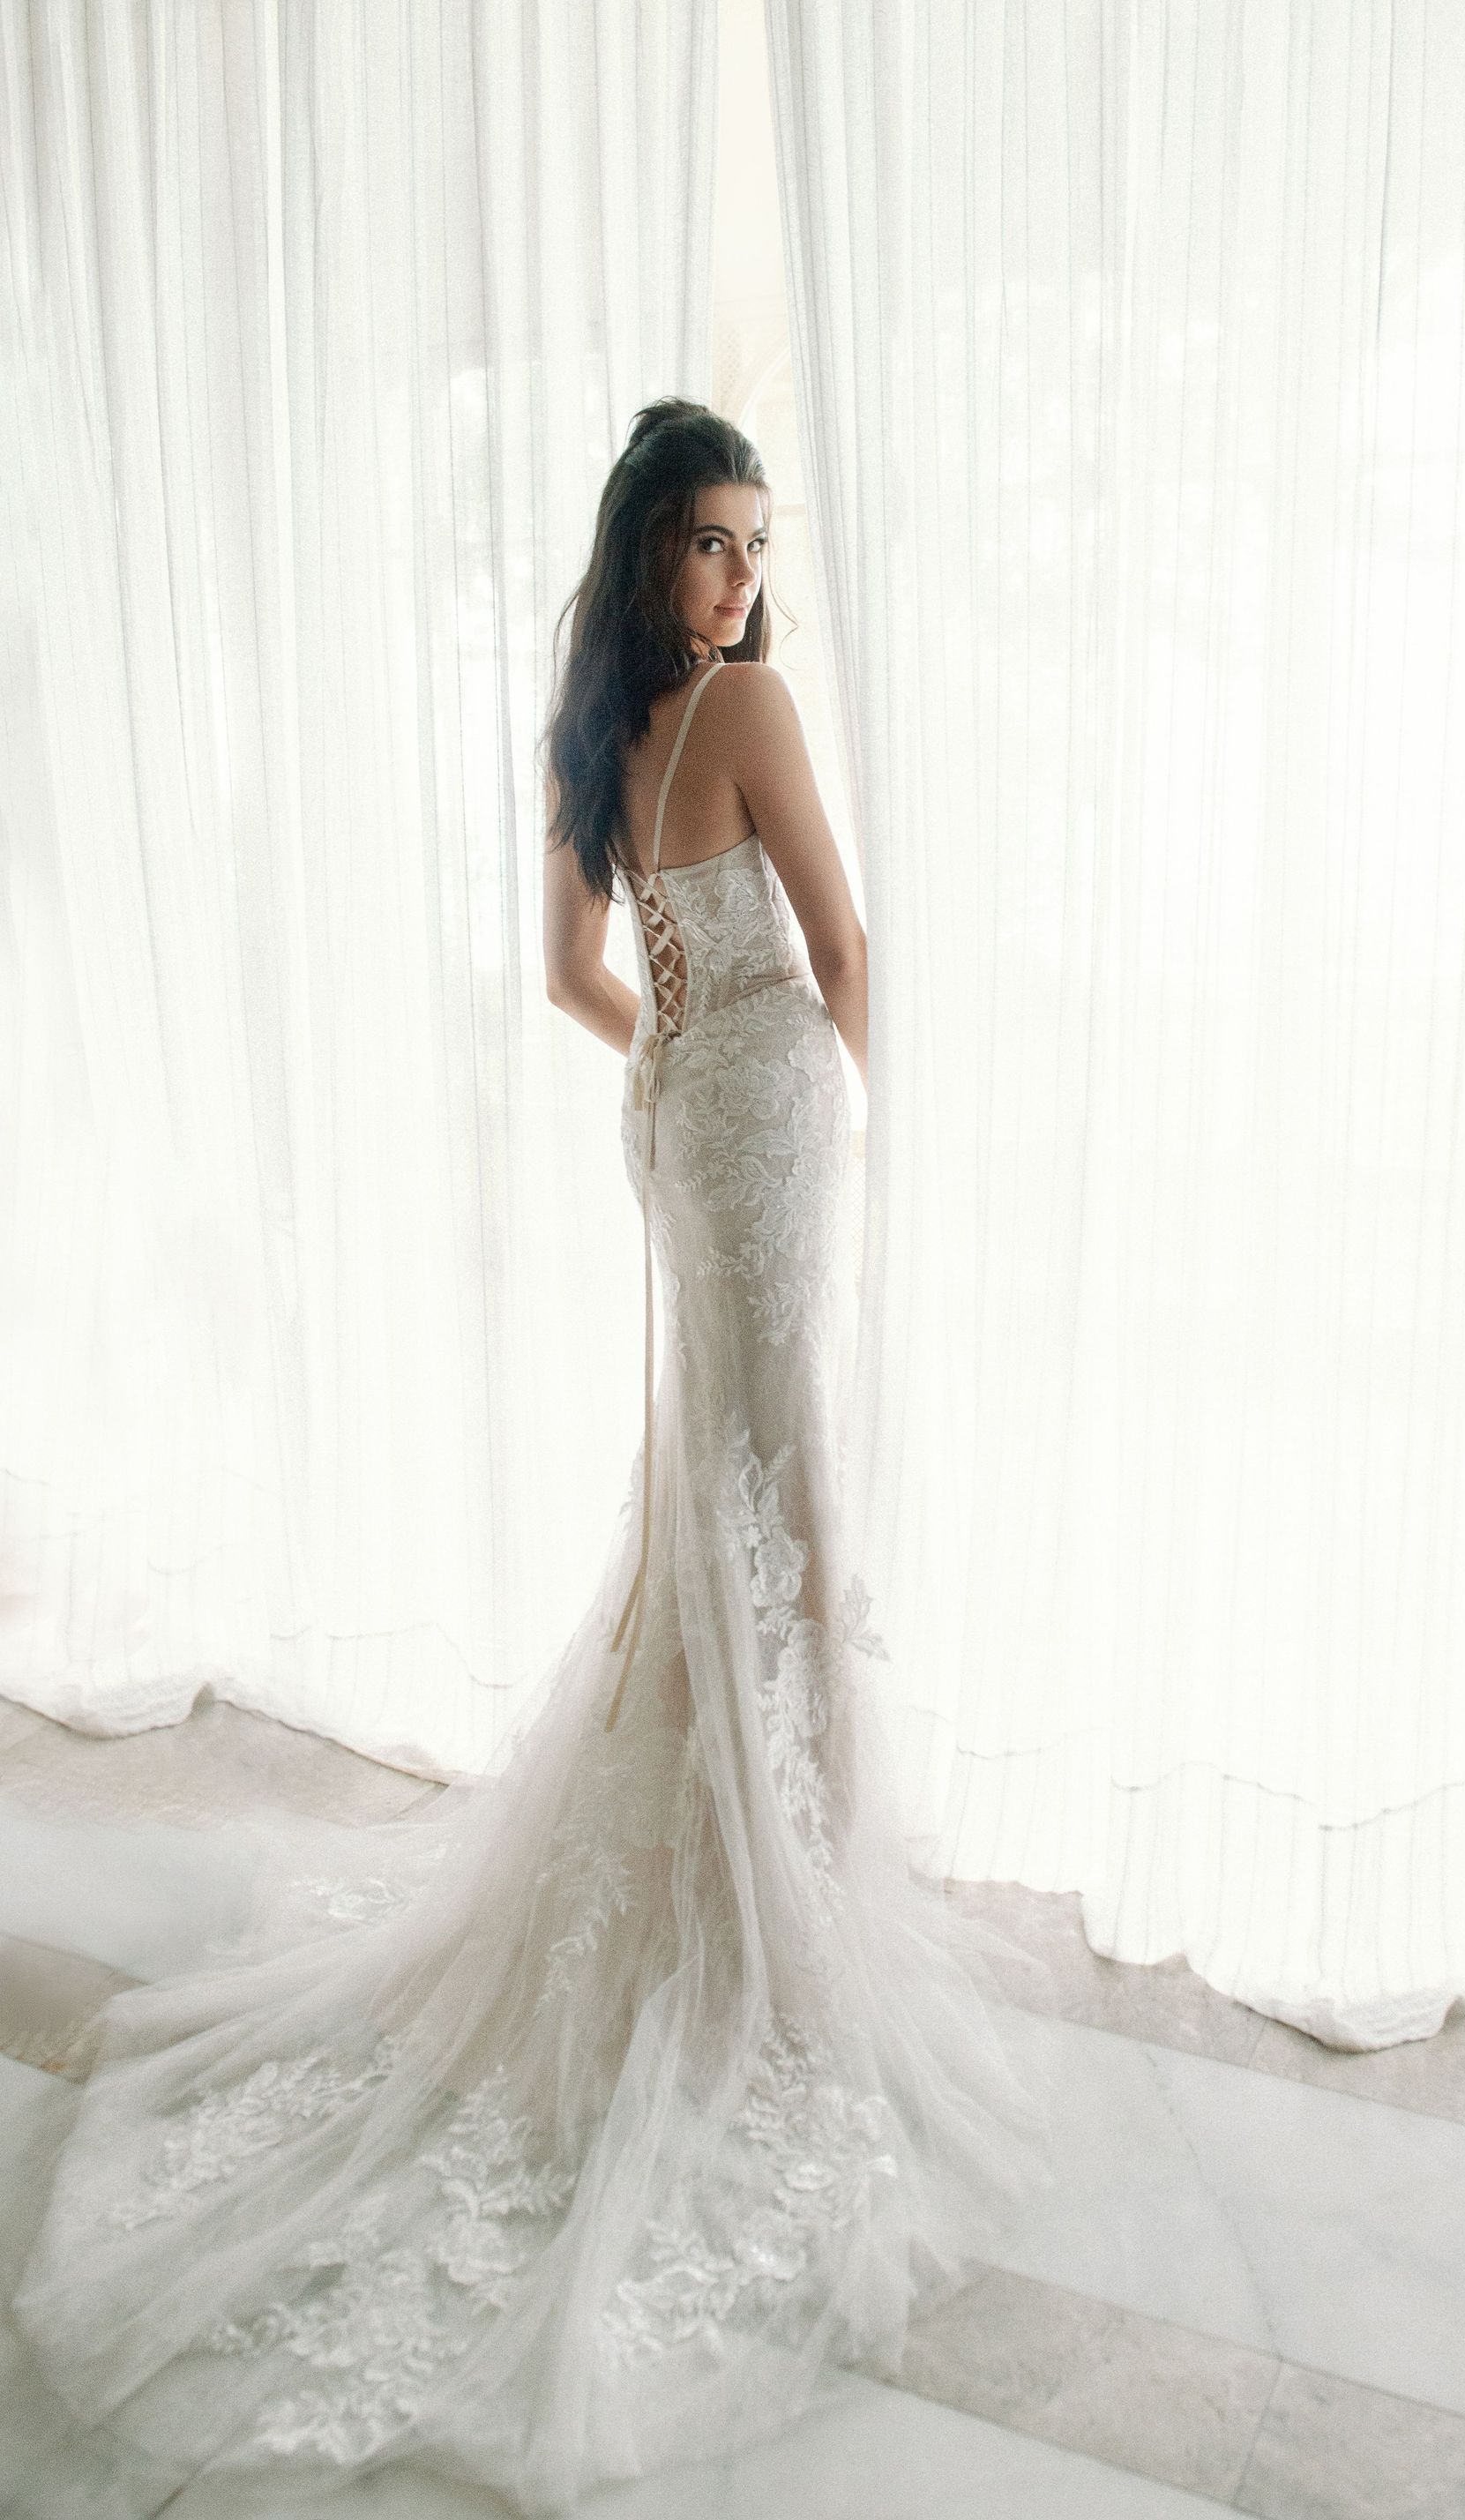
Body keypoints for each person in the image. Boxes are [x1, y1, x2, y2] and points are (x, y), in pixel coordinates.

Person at [2, 399, 1053, 2517]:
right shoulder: (745, 712)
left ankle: (763, 1860)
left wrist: (683, 1066)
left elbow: (580, 978)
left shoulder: (597, 734)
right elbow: (845, 948)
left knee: (725, 1499)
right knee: (785, 1499)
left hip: (682, 1127)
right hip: (763, 1128)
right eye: (716, 543)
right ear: (655, 544)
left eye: (759, 547)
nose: (746, 581)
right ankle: (794, 1906)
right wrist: (881, 1141)